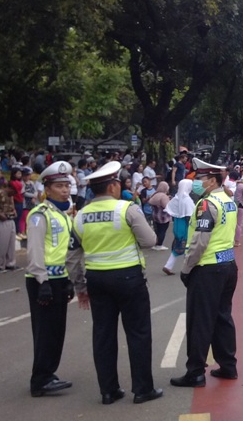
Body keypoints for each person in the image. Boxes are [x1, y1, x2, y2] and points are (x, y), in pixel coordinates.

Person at [71, 161, 163, 405]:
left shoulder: (80, 216)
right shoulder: (127, 210)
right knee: (138, 333)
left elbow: (72, 257)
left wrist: (80, 288)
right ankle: (143, 389)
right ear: (112, 187)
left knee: (103, 334)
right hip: (128, 278)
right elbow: (150, 241)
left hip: (96, 280)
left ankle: (109, 391)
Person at [171, 159, 239, 388]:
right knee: (222, 317)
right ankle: (228, 365)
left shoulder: (206, 204)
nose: (197, 183)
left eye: (200, 179)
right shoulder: (228, 200)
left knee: (200, 320)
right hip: (228, 264)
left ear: (211, 180)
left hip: (208, 267)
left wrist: (186, 267)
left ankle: (196, 372)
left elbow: (200, 240)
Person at [24, 161, 78, 397]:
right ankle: (40, 379)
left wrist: (67, 279)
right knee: (45, 330)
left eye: (67, 185)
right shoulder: (39, 215)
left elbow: (64, 251)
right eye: (59, 185)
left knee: (57, 330)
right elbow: (35, 250)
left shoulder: (64, 216)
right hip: (42, 281)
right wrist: (42, 281)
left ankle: (49, 373)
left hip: (58, 279)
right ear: (47, 188)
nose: (65, 190)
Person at [163, 179, 194, 276]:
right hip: (185, 227)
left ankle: (168, 266)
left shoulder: (176, 199)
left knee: (178, 246)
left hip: (177, 226)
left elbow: (171, 210)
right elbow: (190, 215)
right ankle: (188, 268)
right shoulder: (187, 200)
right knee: (188, 246)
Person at [0, 179, 18, 272]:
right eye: (14, 191)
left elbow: (11, 205)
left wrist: (14, 211)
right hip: (1, 221)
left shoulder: (10, 196)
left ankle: (10, 263)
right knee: (2, 245)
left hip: (10, 219)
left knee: (11, 244)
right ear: (10, 188)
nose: (15, 193)